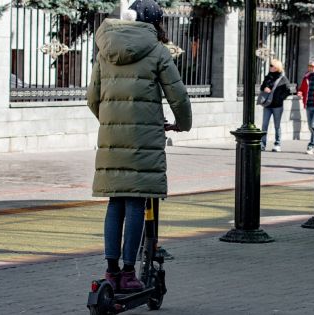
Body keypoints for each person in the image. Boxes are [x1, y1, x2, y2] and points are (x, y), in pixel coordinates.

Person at [87, 0, 192, 292]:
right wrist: (182, 123)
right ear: (155, 22)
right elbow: (178, 95)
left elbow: (92, 98)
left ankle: (111, 271)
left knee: (115, 202)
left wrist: (111, 121)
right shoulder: (157, 50)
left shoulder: (105, 49)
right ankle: (130, 273)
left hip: (111, 137)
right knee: (135, 201)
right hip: (144, 139)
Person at [260, 59, 291, 152]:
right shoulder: (268, 77)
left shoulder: (283, 78)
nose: (270, 67)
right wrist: (264, 88)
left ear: (277, 67)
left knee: (277, 125)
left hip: (277, 106)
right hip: (267, 105)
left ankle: (277, 144)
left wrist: (280, 98)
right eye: (270, 65)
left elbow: (288, 91)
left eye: (271, 65)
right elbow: (262, 87)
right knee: (264, 125)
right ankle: (262, 144)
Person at [297, 60, 314, 154]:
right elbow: (302, 88)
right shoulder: (306, 77)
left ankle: (311, 145)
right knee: (311, 126)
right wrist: (300, 92)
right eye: (310, 66)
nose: (311, 68)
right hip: (308, 104)